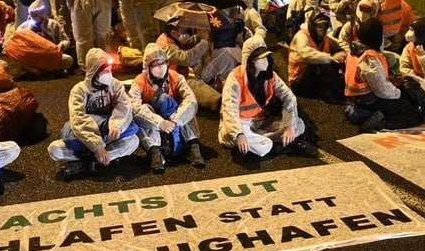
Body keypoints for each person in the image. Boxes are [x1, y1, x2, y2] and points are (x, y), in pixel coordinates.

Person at [219, 33, 315, 159]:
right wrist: (239, 134)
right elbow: (229, 110)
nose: (264, 61)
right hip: (241, 123)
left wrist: (289, 125)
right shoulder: (235, 79)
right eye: (260, 58)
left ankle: (260, 144)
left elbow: (289, 98)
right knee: (234, 137)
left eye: (265, 57)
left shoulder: (269, 75)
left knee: (298, 125)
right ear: (250, 60)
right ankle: (268, 145)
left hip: (261, 121)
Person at [47, 48, 139, 178]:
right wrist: (97, 146)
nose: (109, 74)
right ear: (94, 71)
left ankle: (88, 162)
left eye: (110, 70)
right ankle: (102, 158)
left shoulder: (116, 85)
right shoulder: (79, 90)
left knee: (134, 141)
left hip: (108, 133)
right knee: (54, 150)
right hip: (86, 136)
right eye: (105, 71)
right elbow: (78, 119)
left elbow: (124, 106)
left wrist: (116, 126)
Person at [129, 43, 205, 173]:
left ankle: (193, 144)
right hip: (155, 123)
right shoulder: (139, 82)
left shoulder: (175, 77)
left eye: (163, 63)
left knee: (187, 107)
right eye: (156, 65)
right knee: (142, 111)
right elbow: (135, 108)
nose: (161, 68)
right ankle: (155, 151)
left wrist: (177, 119)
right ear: (148, 67)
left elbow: (191, 100)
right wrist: (159, 123)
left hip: (174, 120)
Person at [343, 18, 423, 132]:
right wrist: (398, 92)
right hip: (368, 99)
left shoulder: (354, 50)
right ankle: (382, 121)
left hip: (356, 98)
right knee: (414, 117)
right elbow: (382, 90)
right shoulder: (369, 57)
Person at [288, 12, 347, 103]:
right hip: (297, 81)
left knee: (337, 60)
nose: (321, 29)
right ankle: (337, 97)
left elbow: (335, 44)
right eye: (319, 26)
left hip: (310, 77)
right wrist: (331, 58)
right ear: (312, 25)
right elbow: (307, 55)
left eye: (324, 26)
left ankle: (345, 89)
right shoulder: (301, 36)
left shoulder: (323, 38)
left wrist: (342, 53)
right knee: (322, 63)